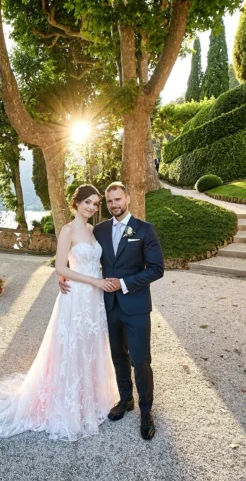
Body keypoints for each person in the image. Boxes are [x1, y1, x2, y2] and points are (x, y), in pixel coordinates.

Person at [0, 184, 119, 441]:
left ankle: (91, 398)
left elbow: (93, 262)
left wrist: (100, 279)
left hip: (94, 300)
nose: (92, 207)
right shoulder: (68, 230)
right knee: (71, 346)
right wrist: (93, 281)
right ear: (75, 203)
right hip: (76, 297)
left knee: (91, 343)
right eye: (88, 202)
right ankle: (67, 403)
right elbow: (60, 268)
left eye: (96, 204)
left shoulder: (92, 230)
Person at [60, 182, 164, 440]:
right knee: (118, 356)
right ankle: (126, 399)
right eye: (109, 202)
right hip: (107, 305)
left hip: (136, 305)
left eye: (118, 199)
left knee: (141, 360)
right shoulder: (100, 230)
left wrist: (125, 283)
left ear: (127, 199)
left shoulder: (145, 230)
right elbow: (77, 259)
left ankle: (146, 411)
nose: (113, 205)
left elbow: (156, 269)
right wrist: (62, 277)